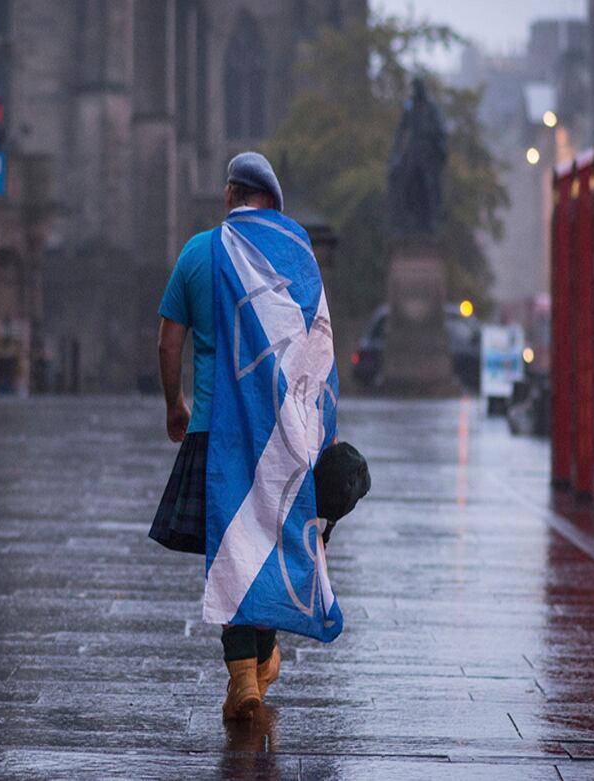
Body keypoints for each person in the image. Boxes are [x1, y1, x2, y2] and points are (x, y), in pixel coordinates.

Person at [151, 152, 343, 721]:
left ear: (231, 192)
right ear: (273, 205)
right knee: (267, 547)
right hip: (284, 435)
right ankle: (257, 667)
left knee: (234, 551)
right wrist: (322, 434)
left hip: (217, 435)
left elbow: (167, 344)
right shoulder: (299, 258)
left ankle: (246, 680)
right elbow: (320, 352)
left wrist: (174, 405)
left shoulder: (199, 252)